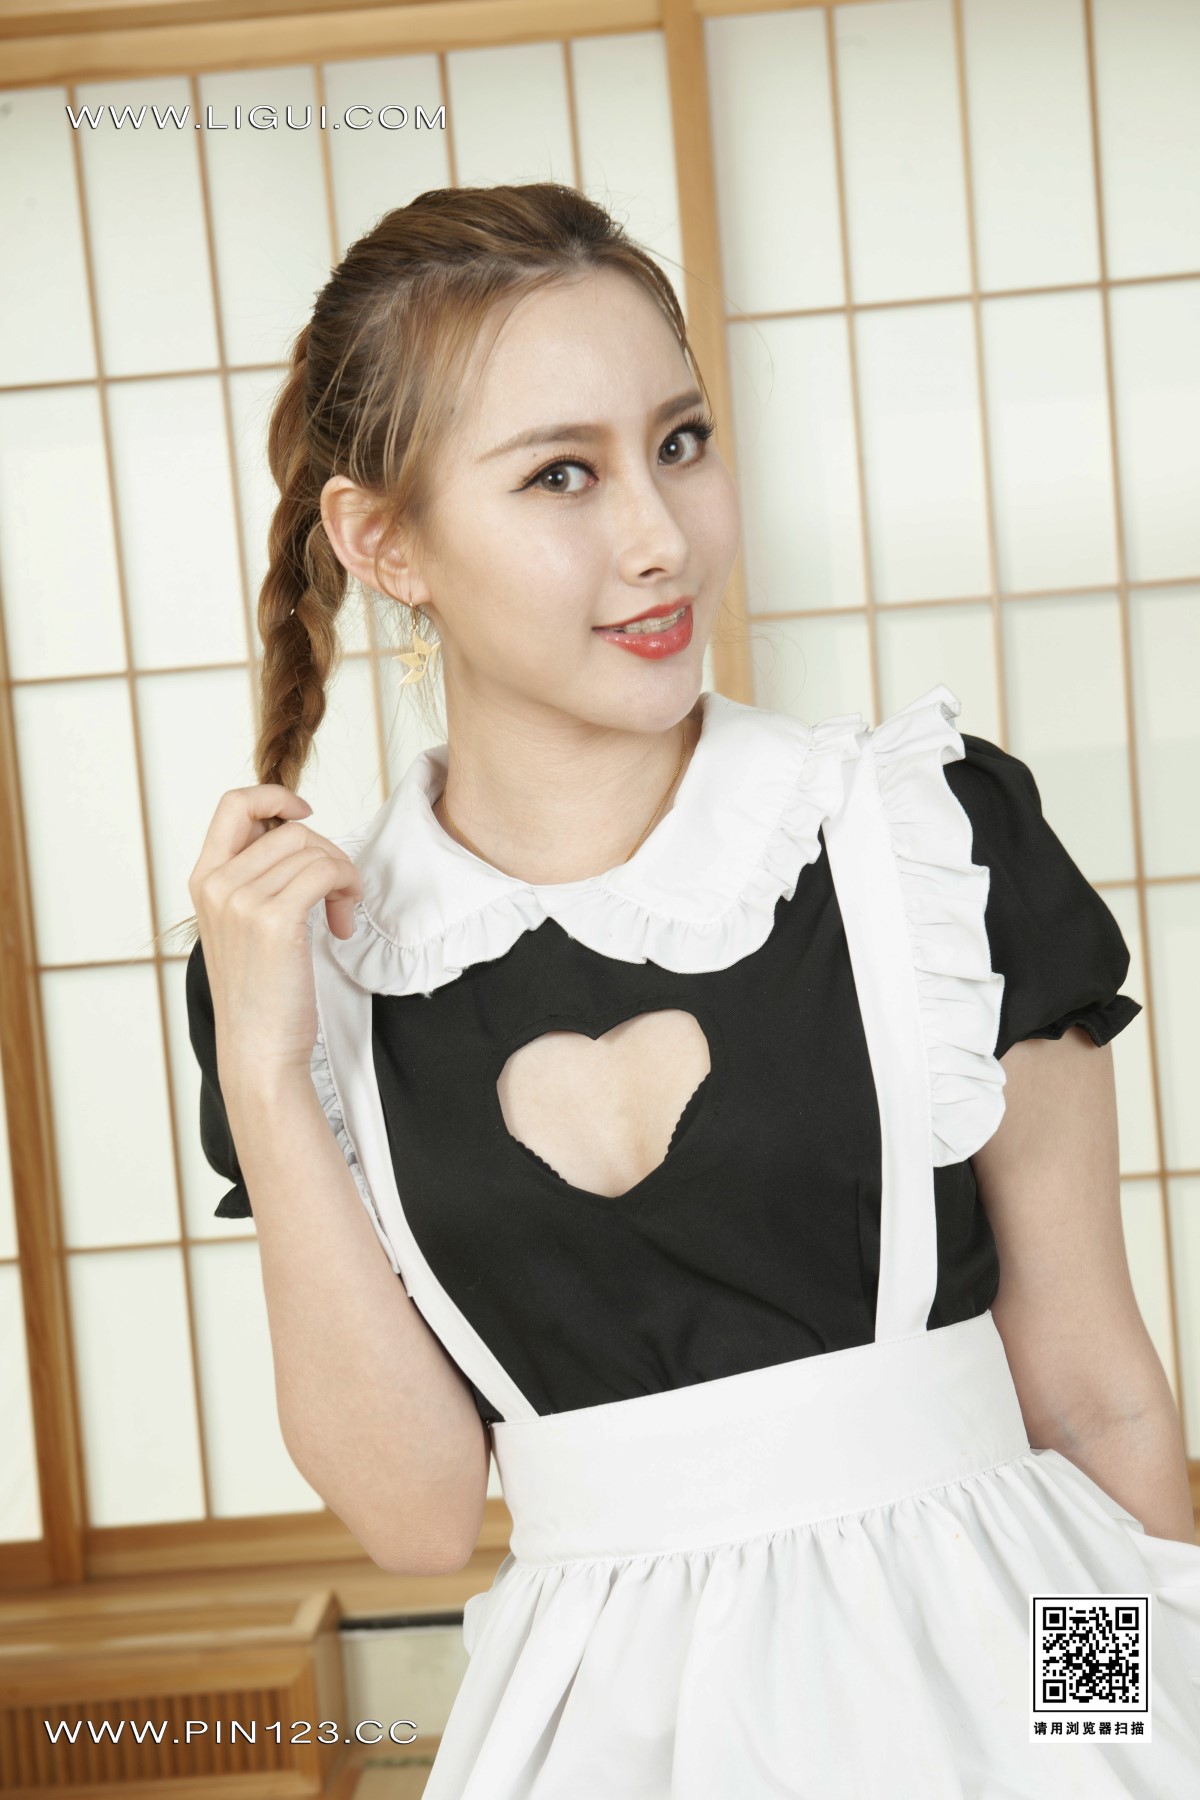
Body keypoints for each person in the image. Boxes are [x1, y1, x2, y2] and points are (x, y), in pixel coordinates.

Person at [179, 183, 1200, 1796]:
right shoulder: (309, 970)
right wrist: (261, 1072)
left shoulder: (929, 836)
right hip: (600, 1735)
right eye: (561, 474)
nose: (661, 537)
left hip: (1006, 1699)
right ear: (384, 543)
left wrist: (1117, 1736)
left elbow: (1095, 1398)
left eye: (681, 442)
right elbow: (421, 1518)